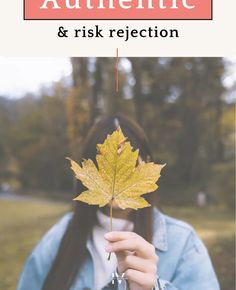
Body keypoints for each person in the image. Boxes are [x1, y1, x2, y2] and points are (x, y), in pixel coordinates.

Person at [17, 115, 220, 290]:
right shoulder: (59, 237)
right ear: (87, 172)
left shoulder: (183, 243)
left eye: (131, 162)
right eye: (101, 165)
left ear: (147, 165)